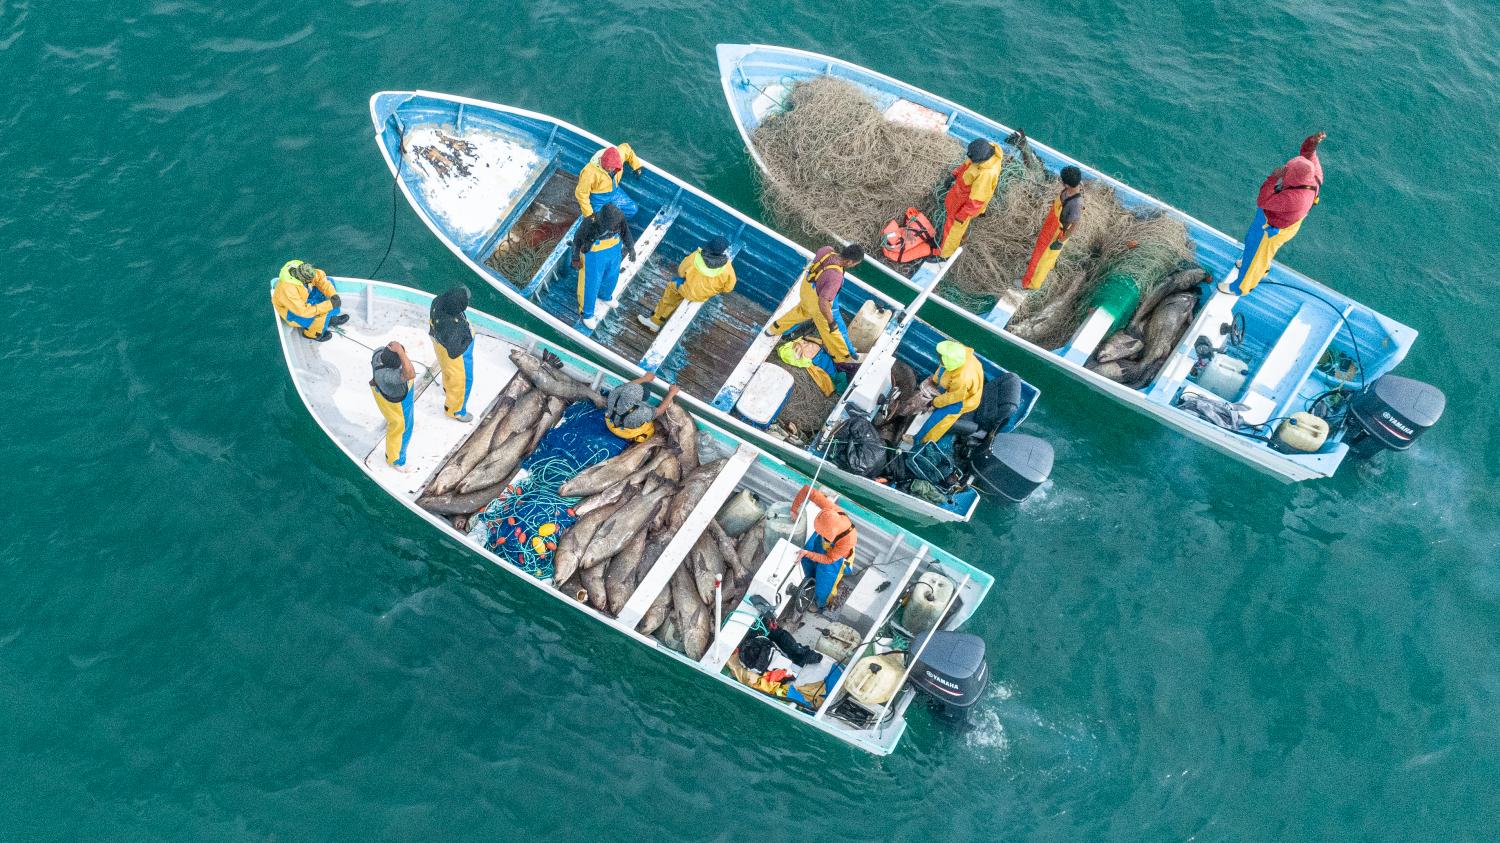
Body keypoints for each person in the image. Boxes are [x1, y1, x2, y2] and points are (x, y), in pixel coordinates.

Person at [1222, 132, 1326, 296]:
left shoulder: (1294, 199)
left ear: (1294, 176)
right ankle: (1258, 267)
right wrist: (1312, 142)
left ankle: (1240, 287)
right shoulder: (1314, 174)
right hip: (1281, 221)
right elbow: (1308, 154)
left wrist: (1273, 178)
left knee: (1257, 255)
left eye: (1287, 171)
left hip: (1271, 229)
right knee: (1253, 248)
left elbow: (1263, 201)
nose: (1285, 170)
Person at [764, 244, 863, 367]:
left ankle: (773, 329)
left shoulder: (826, 250)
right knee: (833, 332)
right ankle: (845, 357)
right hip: (817, 303)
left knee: (800, 312)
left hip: (806, 290)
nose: (854, 266)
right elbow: (823, 302)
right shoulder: (836, 277)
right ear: (849, 261)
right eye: (855, 264)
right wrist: (831, 322)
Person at [637, 236, 737, 333]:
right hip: (704, 295)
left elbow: (681, 271)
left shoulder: (696, 256)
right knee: (685, 289)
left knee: (672, 288)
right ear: (723, 252)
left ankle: (655, 321)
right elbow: (728, 288)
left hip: (688, 291)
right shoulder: (727, 268)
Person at [790, 484, 858, 611]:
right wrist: (793, 509)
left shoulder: (849, 539)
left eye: (823, 532)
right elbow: (807, 490)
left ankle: (821, 604)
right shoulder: (831, 510)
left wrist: (808, 553)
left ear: (832, 534)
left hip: (836, 559)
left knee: (824, 585)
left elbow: (829, 559)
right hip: (823, 545)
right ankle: (808, 581)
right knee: (807, 561)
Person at [572, 203, 636, 330]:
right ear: (604, 221)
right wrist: (575, 258)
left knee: (612, 276)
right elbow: (577, 240)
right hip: (593, 255)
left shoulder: (619, 218)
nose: (616, 226)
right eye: (613, 225)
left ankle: (605, 296)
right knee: (591, 283)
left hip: (613, 252)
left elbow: (626, 232)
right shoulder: (589, 223)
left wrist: (631, 248)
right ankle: (587, 313)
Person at [1020, 166, 1085, 290]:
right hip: (1051, 226)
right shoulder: (1075, 185)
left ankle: (1030, 284)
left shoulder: (1075, 204)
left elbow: (1075, 225)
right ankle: (1044, 263)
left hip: (1056, 234)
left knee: (1042, 260)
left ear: (1066, 184)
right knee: (1045, 256)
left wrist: (1060, 242)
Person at [938, 138, 1004, 258]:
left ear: (981, 160)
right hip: (958, 196)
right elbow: (966, 165)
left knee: (953, 230)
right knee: (955, 226)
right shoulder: (984, 150)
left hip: (963, 205)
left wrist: (961, 216)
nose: (970, 161)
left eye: (973, 160)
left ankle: (944, 255)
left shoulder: (986, 174)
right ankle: (961, 234)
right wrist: (954, 175)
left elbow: (976, 202)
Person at [914, 340, 984, 445]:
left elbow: (954, 397)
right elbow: (944, 367)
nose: (939, 358)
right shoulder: (960, 355)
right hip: (958, 389)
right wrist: (934, 380)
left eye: (940, 357)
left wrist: (934, 402)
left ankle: (920, 440)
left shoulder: (963, 378)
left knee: (938, 419)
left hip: (964, 400)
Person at [429, 285, 474, 422]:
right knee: (462, 381)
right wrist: (468, 338)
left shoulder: (438, 301)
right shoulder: (452, 327)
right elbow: (455, 351)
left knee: (446, 370)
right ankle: (456, 411)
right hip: (457, 355)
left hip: (439, 344)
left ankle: (446, 389)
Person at [272, 260, 348, 341]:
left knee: (329, 281)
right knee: (321, 312)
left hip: (303, 296)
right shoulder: (287, 290)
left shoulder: (300, 269)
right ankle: (312, 334)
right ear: (303, 279)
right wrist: (329, 305)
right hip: (292, 311)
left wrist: (333, 295)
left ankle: (329, 319)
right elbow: (303, 311)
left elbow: (319, 278)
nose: (313, 279)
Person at [370, 342, 416, 472]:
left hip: (384, 393)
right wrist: (401, 353)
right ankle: (395, 460)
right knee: (401, 428)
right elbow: (410, 374)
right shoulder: (388, 376)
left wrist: (398, 351)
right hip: (397, 404)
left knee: (398, 423)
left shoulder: (379, 354)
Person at [604, 372, 680, 443]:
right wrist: (671, 393)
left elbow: (625, 387)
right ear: (638, 401)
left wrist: (644, 378)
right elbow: (660, 411)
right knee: (647, 387)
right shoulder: (641, 413)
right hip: (627, 433)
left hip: (612, 424)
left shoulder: (613, 394)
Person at [575, 143, 643, 218]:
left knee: (632, 210)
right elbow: (581, 193)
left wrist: (637, 166)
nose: (611, 170)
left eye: (614, 167)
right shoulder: (589, 172)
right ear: (602, 161)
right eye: (608, 167)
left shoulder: (619, 155)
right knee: (596, 220)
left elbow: (627, 149)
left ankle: (615, 223)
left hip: (614, 192)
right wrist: (589, 214)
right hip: (598, 199)